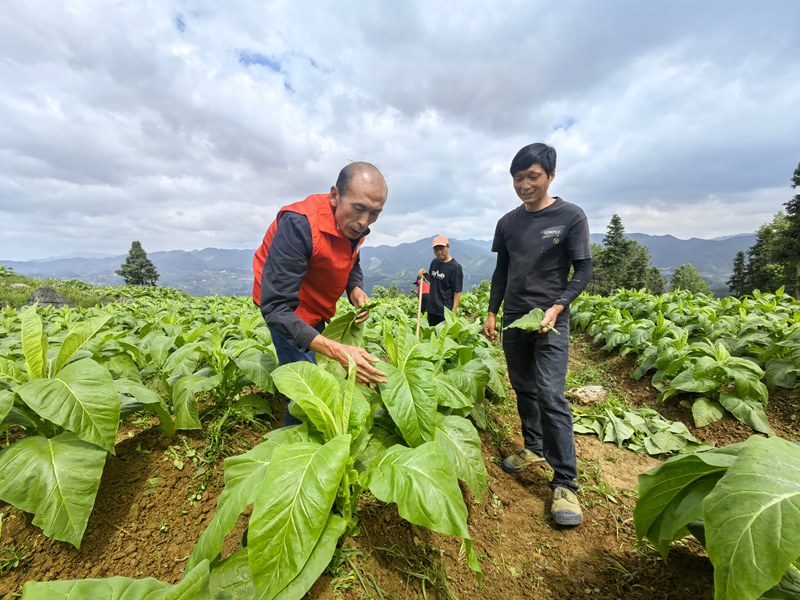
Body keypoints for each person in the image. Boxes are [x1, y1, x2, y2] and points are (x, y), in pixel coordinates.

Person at [482, 143, 593, 527]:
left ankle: (565, 483)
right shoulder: (507, 223)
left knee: (550, 393)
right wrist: (492, 312)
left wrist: (559, 306)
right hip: (515, 318)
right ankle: (534, 446)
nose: (525, 185)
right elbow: (502, 271)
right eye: (518, 178)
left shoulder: (570, 216)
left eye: (533, 177)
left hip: (550, 319)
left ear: (550, 176)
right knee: (524, 387)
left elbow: (583, 269)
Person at [253, 162, 388, 425]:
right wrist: (338, 351)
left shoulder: (351, 225)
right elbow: (276, 309)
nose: (364, 222)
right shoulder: (299, 225)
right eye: (359, 208)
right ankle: (295, 440)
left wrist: (354, 287)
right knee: (308, 390)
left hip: (315, 303)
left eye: (374, 213)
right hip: (286, 309)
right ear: (335, 195)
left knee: (321, 373)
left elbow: (351, 259)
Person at [420, 236, 463, 326]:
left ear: (448, 246)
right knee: (432, 333)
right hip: (432, 308)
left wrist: (453, 311)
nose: (439, 252)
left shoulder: (455, 267)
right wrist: (425, 274)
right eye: (436, 250)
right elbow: (432, 280)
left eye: (441, 248)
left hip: (444, 311)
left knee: (442, 334)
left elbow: (457, 291)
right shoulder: (434, 262)